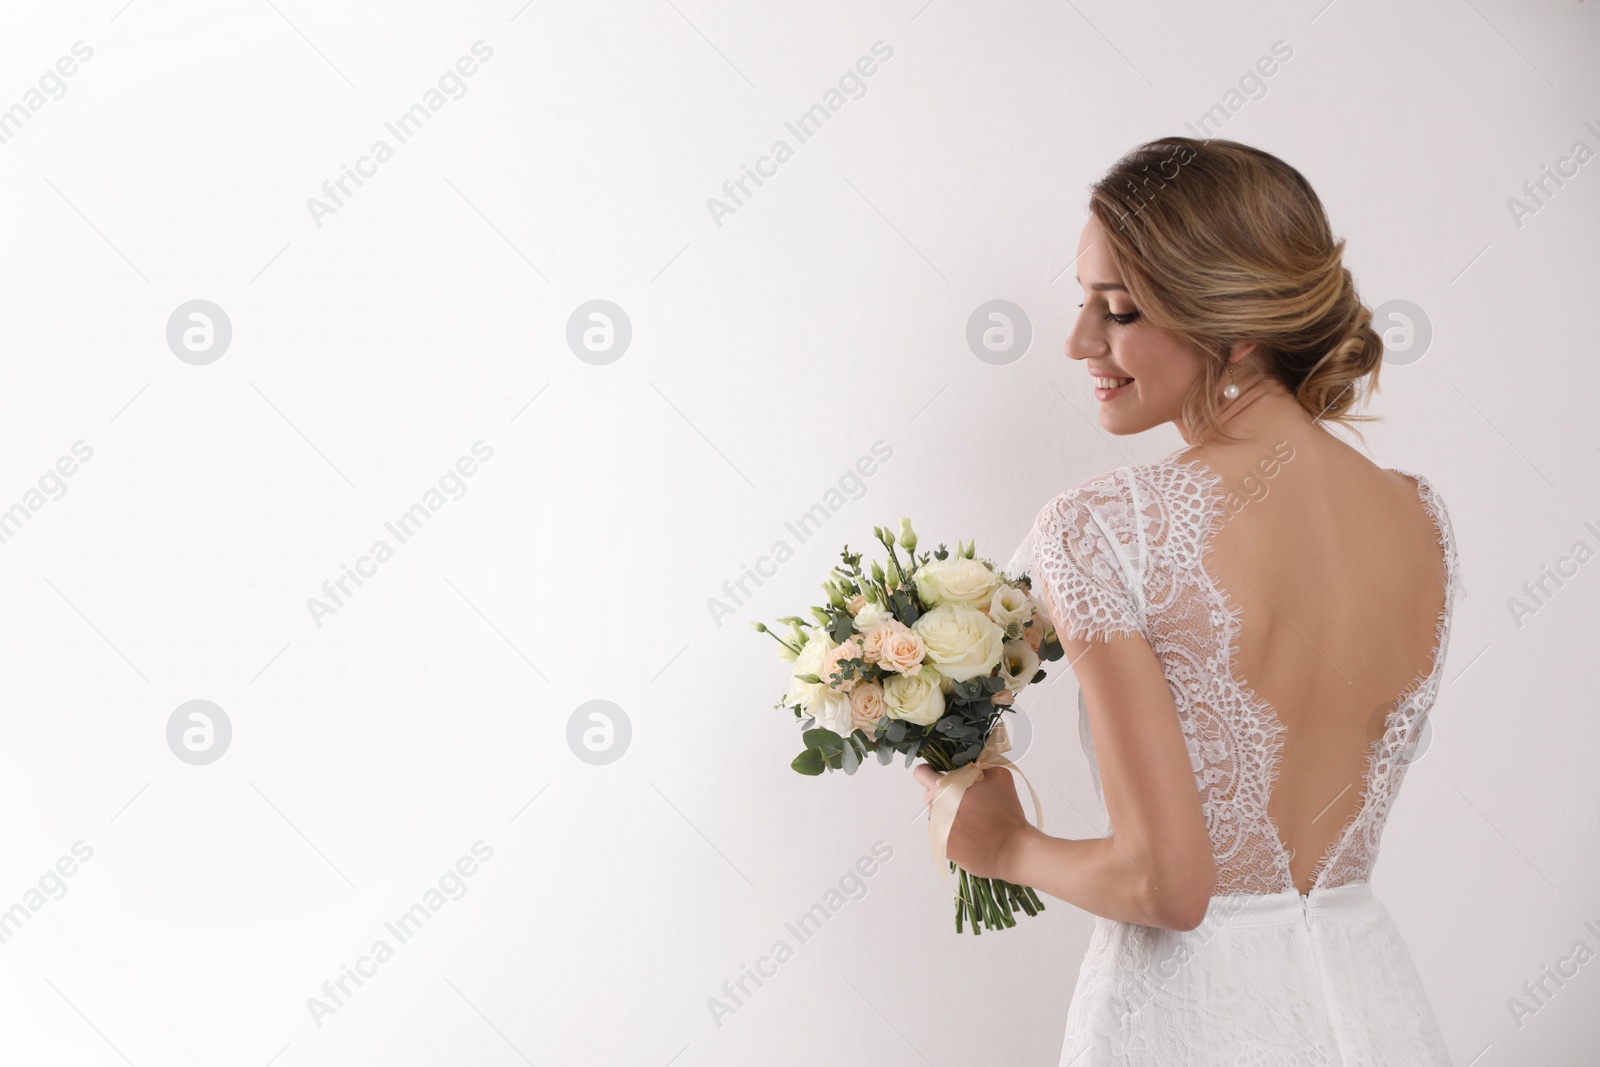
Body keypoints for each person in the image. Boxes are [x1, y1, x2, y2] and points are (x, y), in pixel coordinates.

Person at [914, 137, 1459, 1065]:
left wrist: (1002, 844)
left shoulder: (1104, 525)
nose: (1080, 341)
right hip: (1374, 1011)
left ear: (1236, 327)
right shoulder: (1422, 518)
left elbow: (1168, 887)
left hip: (1188, 1022)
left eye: (1117, 311)